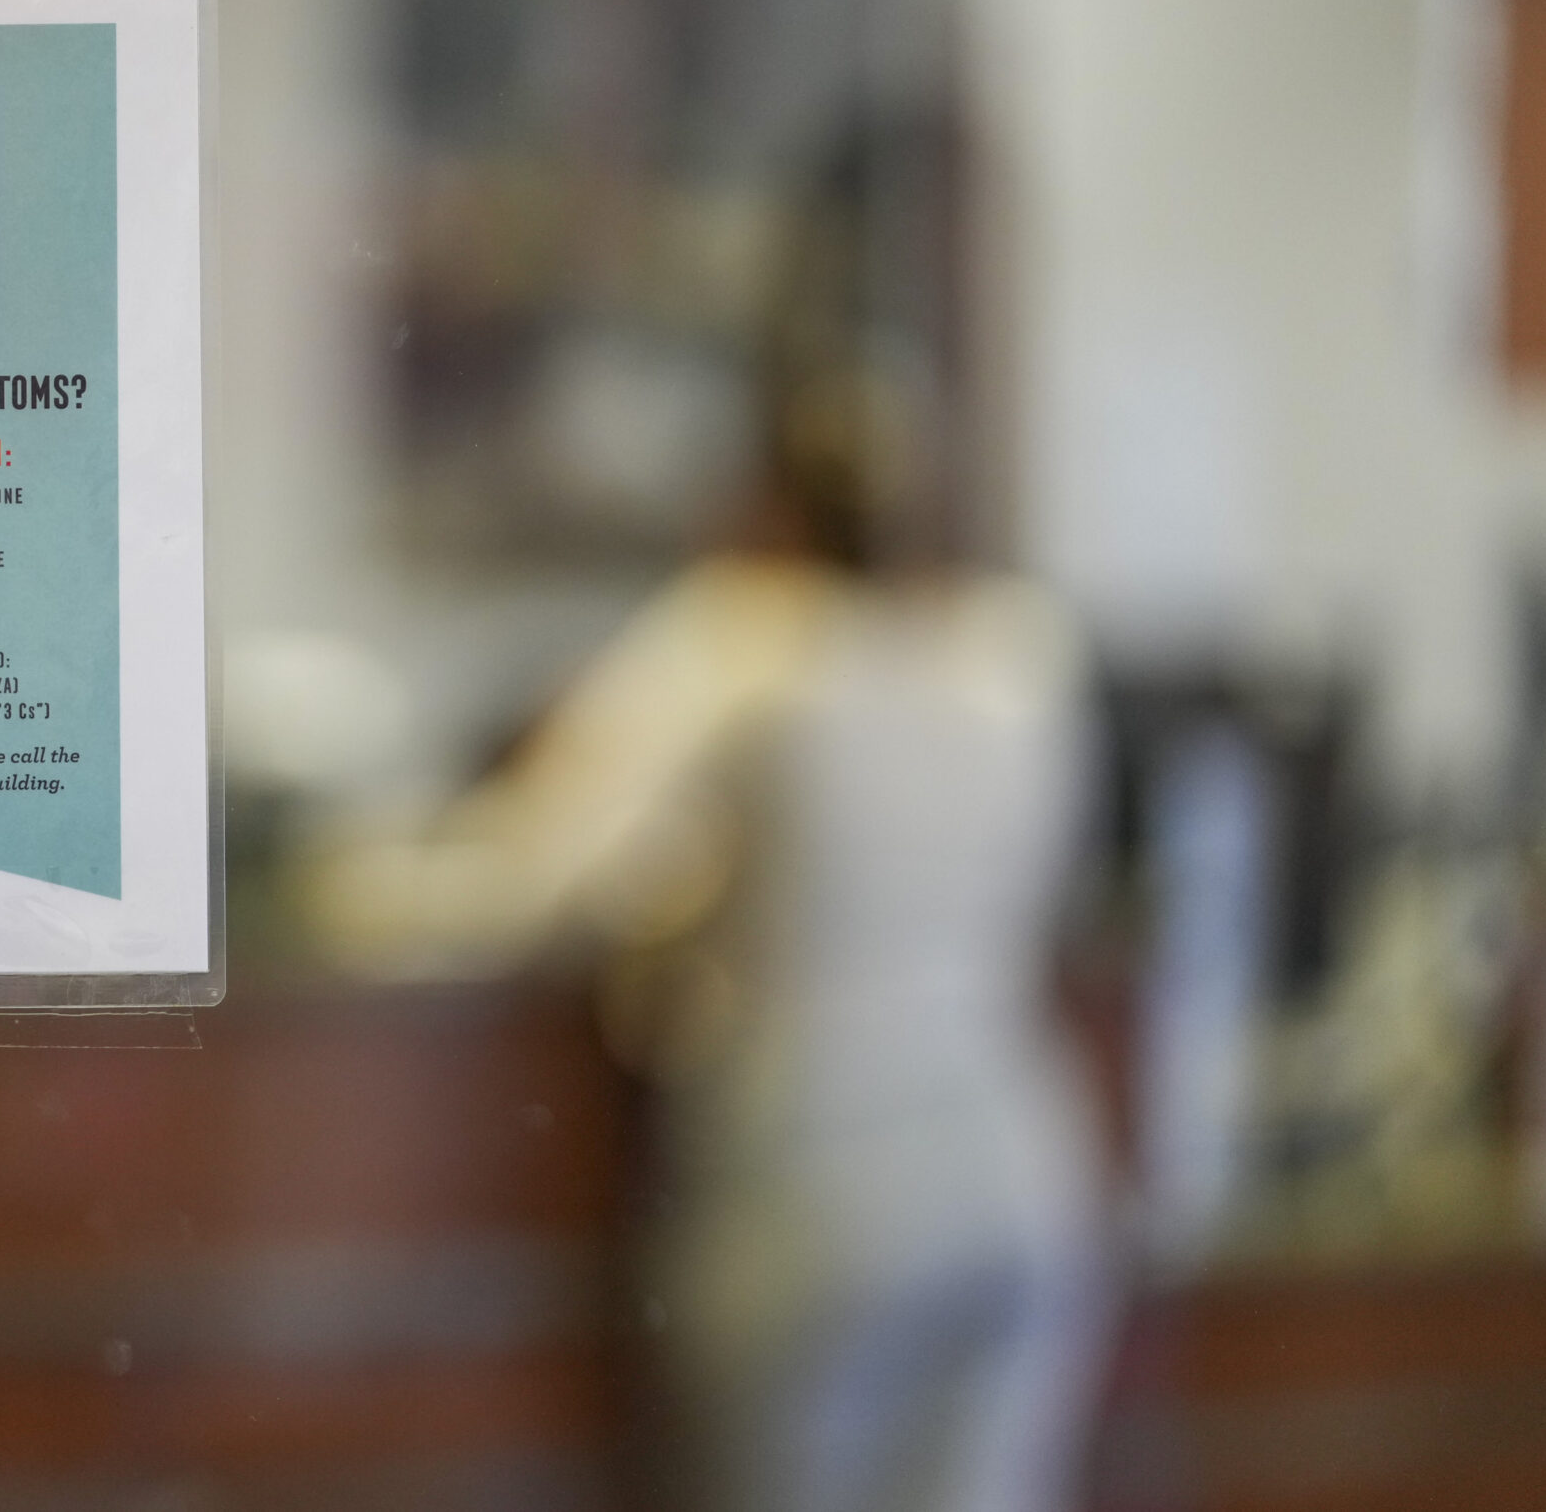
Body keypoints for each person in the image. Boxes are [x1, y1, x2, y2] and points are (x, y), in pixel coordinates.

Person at [309, 380, 1113, 1512]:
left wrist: (350, 883)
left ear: (764, 517)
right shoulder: (1016, 658)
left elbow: (536, 888)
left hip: (822, 1182)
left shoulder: (738, 652)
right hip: (1018, 1174)